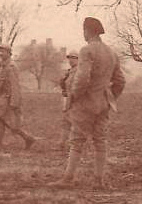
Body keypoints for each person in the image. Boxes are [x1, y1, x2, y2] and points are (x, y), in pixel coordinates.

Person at [51, 17, 125, 189]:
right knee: (100, 141)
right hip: (104, 104)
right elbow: (120, 81)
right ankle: (99, 180)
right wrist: (109, 97)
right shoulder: (111, 53)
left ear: (87, 31)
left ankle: (68, 178)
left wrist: (75, 96)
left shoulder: (87, 50)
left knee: (77, 141)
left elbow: (82, 78)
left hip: (86, 103)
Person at [0, 44, 36, 150]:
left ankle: (28, 138)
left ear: (9, 53)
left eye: (3, 51)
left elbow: (15, 85)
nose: (0, 53)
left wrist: (14, 102)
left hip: (8, 98)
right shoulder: (2, 65)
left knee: (10, 122)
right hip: (1, 97)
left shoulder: (11, 66)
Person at [58, 50, 79, 150]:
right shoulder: (69, 71)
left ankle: (75, 145)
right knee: (65, 121)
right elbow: (64, 86)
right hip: (68, 99)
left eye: (73, 58)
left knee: (75, 123)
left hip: (76, 101)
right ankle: (62, 143)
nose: (71, 60)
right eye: (70, 58)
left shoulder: (79, 72)